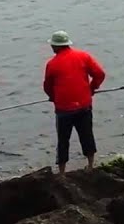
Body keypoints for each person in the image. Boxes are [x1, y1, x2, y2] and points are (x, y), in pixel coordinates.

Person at [43, 30, 106, 174]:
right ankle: (90, 166)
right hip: (84, 105)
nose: (51, 47)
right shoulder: (84, 56)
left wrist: (53, 97)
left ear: (56, 46)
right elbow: (100, 74)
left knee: (63, 140)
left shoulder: (52, 64)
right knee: (86, 135)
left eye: (52, 45)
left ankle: (62, 173)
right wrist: (92, 88)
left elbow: (47, 86)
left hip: (64, 109)